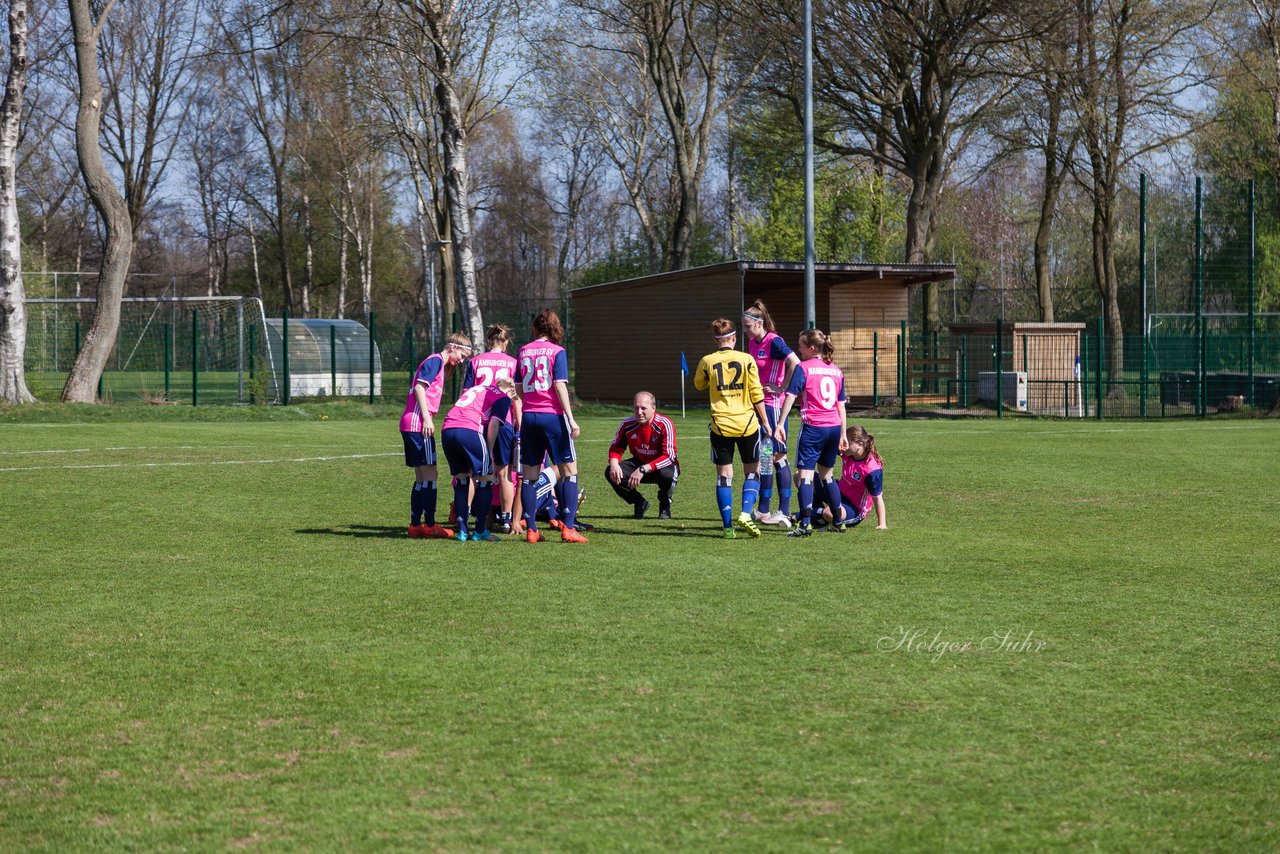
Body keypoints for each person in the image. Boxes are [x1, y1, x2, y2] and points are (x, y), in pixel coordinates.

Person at [694, 318, 770, 539]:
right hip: (747, 424)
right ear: (734, 338)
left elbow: (699, 384)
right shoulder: (747, 359)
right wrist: (766, 422)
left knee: (724, 477)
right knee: (753, 472)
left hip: (721, 426)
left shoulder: (707, 360)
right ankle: (746, 513)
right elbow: (757, 394)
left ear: (715, 340)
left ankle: (728, 528)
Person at [516, 309, 587, 543]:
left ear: (536, 328)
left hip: (529, 416)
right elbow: (559, 385)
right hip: (552, 417)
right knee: (569, 470)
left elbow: (517, 387)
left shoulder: (524, 350)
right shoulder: (558, 352)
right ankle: (568, 528)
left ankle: (532, 530)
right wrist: (571, 418)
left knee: (529, 475)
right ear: (555, 328)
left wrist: (528, 404)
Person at [774, 328, 848, 537]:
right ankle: (838, 521)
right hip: (833, 428)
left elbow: (789, 396)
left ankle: (805, 523)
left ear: (812, 348)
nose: (798, 349)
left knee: (805, 475)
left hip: (813, 428)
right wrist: (842, 434)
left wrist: (780, 423)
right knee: (827, 476)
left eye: (801, 345)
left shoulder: (803, 368)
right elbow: (841, 406)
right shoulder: (836, 370)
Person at [400, 333, 472, 538]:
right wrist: (427, 418)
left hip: (411, 423)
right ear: (452, 347)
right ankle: (430, 525)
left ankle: (415, 526)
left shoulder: (438, 364)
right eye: (462, 355)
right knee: (431, 475)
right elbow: (420, 387)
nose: (461, 360)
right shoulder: (435, 360)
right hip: (417, 423)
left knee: (422, 476)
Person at [742, 300, 800, 528]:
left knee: (777, 456)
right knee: (764, 456)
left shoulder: (774, 341)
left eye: (748, 326)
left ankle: (784, 511)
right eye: (744, 326)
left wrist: (782, 387)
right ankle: (764, 509)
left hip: (773, 405)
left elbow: (795, 362)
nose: (746, 330)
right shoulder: (752, 342)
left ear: (760, 323)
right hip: (758, 404)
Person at [440, 377, 520, 541]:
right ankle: (480, 531)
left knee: (462, 479)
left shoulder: (478, 388)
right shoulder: (503, 397)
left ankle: (462, 531)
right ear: (511, 391)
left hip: (447, 429)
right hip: (468, 430)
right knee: (486, 479)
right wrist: (489, 452)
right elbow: (494, 425)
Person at [462, 324, 519, 533]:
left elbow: (466, 395)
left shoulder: (475, 362)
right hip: (503, 420)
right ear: (505, 342)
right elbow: (516, 396)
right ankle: (505, 520)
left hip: (478, 420)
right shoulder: (513, 363)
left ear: (488, 341)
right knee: (504, 473)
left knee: (473, 472)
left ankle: (467, 518)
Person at [606, 391, 679, 520]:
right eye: (636, 408)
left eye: (643, 408)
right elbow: (616, 447)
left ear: (653, 408)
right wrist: (613, 463)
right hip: (639, 463)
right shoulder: (627, 424)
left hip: (661, 467)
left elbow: (669, 456)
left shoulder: (664, 424)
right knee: (610, 472)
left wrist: (643, 469)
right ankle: (639, 502)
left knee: (667, 475)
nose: (639, 412)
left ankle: (664, 504)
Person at [816, 425, 887, 531]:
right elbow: (828, 449)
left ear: (860, 444)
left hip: (854, 508)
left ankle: (812, 515)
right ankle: (814, 514)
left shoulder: (871, 470)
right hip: (839, 493)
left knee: (829, 513)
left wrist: (882, 524)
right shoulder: (847, 452)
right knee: (802, 477)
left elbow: (877, 497)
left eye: (847, 443)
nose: (844, 445)